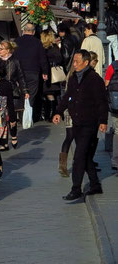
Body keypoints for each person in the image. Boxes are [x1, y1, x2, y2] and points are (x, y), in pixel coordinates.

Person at [53, 50, 109, 201]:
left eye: (77, 61)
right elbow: (67, 97)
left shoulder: (94, 79)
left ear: (85, 62)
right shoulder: (73, 78)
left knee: (79, 155)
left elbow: (102, 102)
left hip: (89, 123)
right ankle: (95, 185)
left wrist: (103, 121)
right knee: (86, 156)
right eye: (74, 61)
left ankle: (76, 189)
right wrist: (58, 111)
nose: (74, 64)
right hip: (77, 122)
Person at [15, 23, 49, 117]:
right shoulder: (37, 42)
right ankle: (27, 116)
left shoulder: (17, 41)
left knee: (21, 93)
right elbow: (42, 58)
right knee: (31, 95)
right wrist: (45, 72)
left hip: (19, 72)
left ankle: (21, 115)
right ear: (33, 32)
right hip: (33, 72)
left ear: (23, 31)